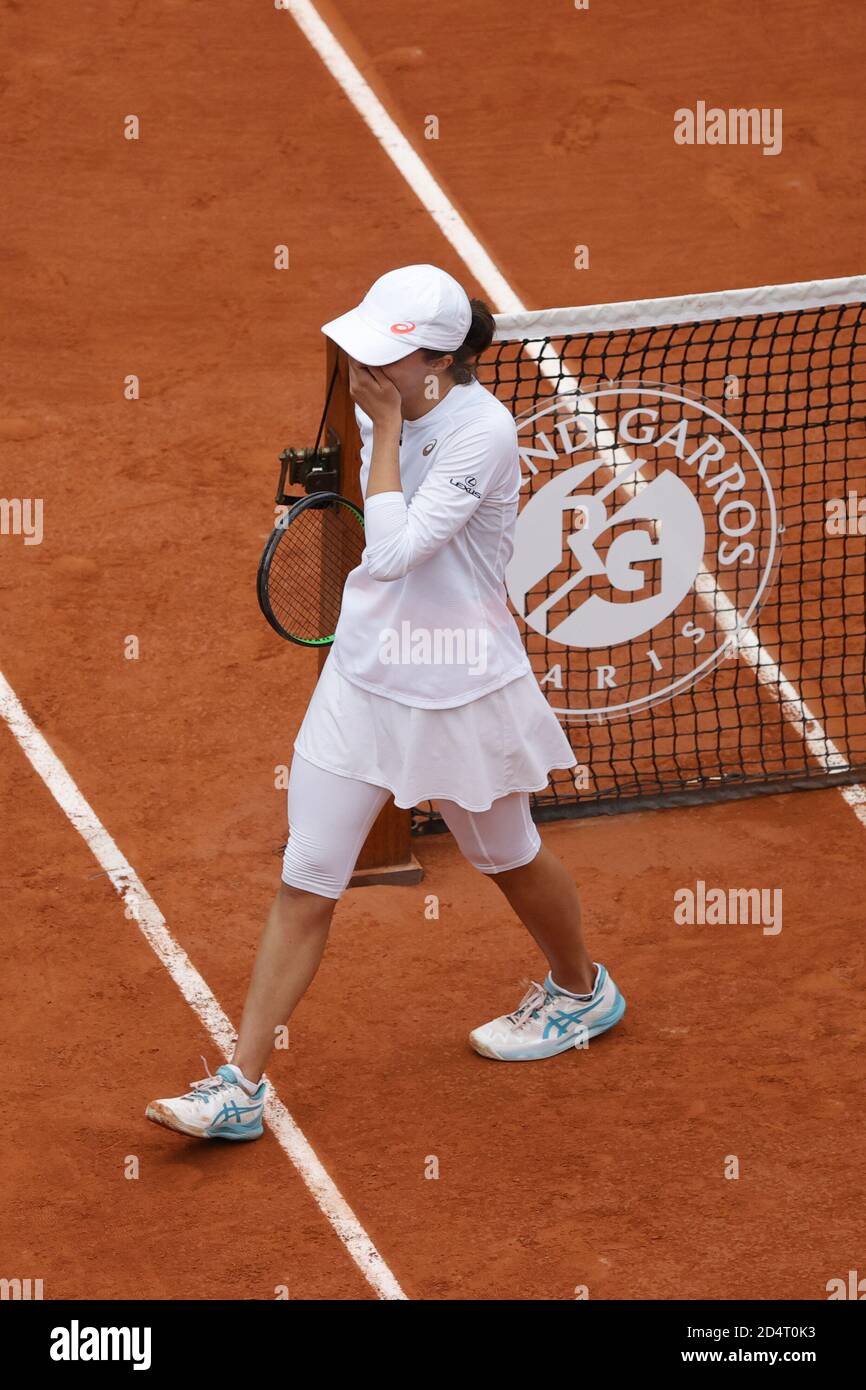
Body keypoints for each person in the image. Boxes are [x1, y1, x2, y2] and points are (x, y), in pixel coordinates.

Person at [146, 265, 625, 1141]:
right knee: (308, 877)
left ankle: (580, 989)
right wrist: (372, 431)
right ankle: (238, 1086)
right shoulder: (383, 402)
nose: (363, 370)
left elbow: (399, 548)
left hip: (461, 688)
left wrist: (385, 433)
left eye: (383, 360)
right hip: (364, 679)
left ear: (436, 363)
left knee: (508, 855)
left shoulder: (484, 433)